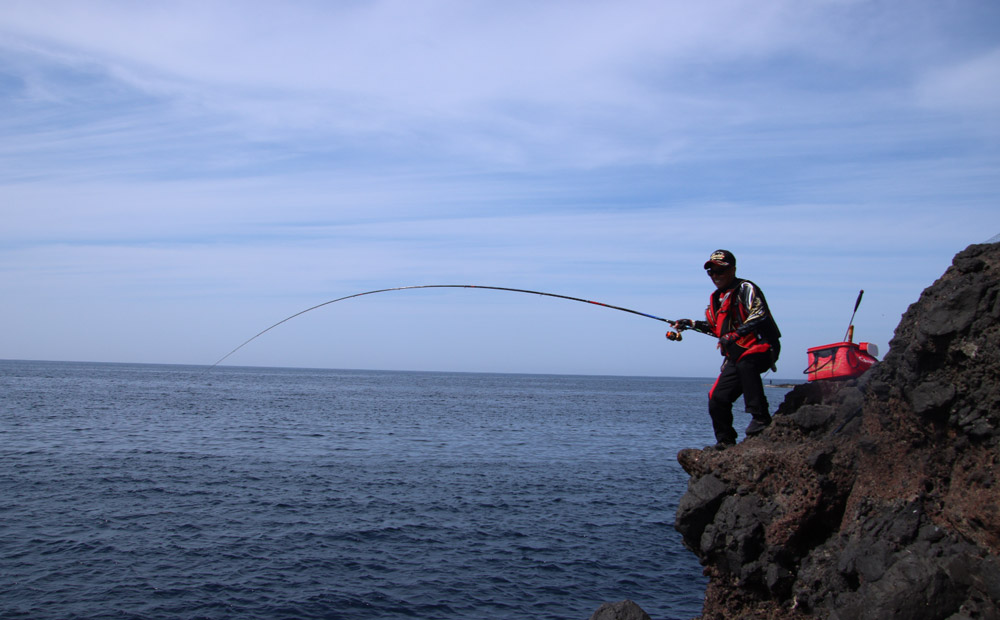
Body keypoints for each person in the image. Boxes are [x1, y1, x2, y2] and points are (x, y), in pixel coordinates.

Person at [674, 250, 781, 449]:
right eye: (711, 272)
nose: (715, 276)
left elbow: (760, 314)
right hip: (737, 355)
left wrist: (734, 335)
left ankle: (761, 417)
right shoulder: (716, 299)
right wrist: (690, 323)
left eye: (720, 271)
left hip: (762, 346)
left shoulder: (745, 288)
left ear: (732, 270)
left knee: (747, 364)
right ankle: (725, 441)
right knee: (717, 398)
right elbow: (717, 329)